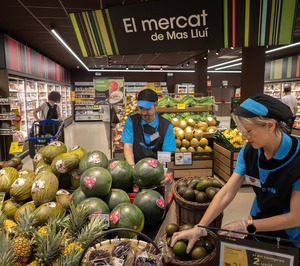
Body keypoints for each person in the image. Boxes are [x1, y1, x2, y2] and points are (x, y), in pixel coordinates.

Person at [171, 94, 300, 254]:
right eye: (242, 131)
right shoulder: (249, 152)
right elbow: (226, 192)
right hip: (257, 230)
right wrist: (201, 227)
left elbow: (295, 217)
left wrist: (245, 226)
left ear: (270, 125)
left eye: (249, 131)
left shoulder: (297, 159)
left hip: (289, 241)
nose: (245, 137)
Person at [122, 89, 176, 165]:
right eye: (141, 108)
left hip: (156, 168)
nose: (143, 113)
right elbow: (128, 146)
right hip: (135, 167)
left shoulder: (167, 126)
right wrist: (132, 167)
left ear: (156, 106)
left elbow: (166, 152)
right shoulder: (131, 122)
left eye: (147, 109)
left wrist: (156, 170)